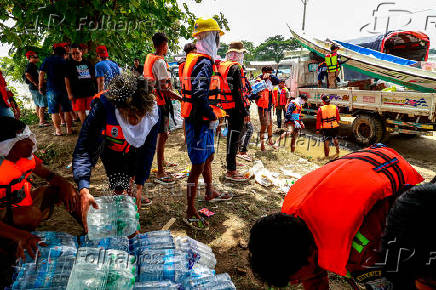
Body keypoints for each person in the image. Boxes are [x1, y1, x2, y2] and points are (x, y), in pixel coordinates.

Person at [248, 144, 425, 289]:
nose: (295, 283)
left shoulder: (363, 255)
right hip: (372, 163)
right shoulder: (292, 220)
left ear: (310, 257)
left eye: (296, 280)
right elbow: (313, 276)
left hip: (408, 197)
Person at [0, 117, 80, 287]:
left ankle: (90, 235)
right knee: (30, 215)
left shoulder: (26, 158)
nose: (31, 140)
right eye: (23, 139)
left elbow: (48, 175)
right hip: (6, 220)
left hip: (22, 206)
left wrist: (64, 184)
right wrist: (18, 235)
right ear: (7, 147)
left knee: (69, 192)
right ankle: (11, 246)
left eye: (29, 134)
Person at [73, 72, 157, 228]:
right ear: (119, 107)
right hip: (111, 149)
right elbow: (84, 149)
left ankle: (131, 220)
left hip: (134, 151)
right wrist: (84, 189)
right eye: (130, 114)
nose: (134, 121)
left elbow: (148, 150)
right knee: (119, 186)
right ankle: (122, 219)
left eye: (140, 115)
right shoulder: (103, 107)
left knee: (132, 187)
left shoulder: (152, 111)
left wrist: (139, 184)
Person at [180, 18, 232, 230]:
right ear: (211, 37)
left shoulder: (197, 58)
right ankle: (190, 209)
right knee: (197, 166)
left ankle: (209, 191)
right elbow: (200, 94)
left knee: (208, 157)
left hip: (202, 119)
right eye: (217, 37)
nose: (218, 41)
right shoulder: (203, 61)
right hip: (200, 121)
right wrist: (212, 116)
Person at [143, 32, 182, 186]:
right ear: (162, 46)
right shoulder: (159, 62)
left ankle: (162, 161)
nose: (167, 48)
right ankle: (160, 171)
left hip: (151, 100)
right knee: (163, 134)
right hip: (160, 102)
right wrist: (181, 98)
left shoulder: (149, 58)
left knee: (160, 134)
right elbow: (164, 89)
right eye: (166, 45)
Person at [220, 41, 250, 181]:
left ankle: (231, 162)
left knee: (233, 136)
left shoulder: (224, 65)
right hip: (236, 108)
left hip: (226, 106)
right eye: (242, 53)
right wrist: (245, 112)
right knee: (235, 137)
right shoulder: (236, 68)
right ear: (237, 54)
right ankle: (231, 170)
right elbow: (238, 93)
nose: (242, 55)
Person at [39, 45, 72, 136]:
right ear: (63, 54)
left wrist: (40, 86)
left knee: (54, 111)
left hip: (52, 88)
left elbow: (41, 73)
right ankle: (69, 130)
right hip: (64, 88)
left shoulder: (48, 60)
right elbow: (68, 77)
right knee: (67, 110)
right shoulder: (65, 61)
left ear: (54, 52)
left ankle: (58, 130)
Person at [65, 43, 97, 124]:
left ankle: (91, 127)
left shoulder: (87, 62)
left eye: (77, 53)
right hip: (77, 93)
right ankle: (85, 128)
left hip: (90, 91)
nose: (75, 55)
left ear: (81, 52)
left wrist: (96, 89)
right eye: (73, 53)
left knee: (92, 109)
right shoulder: (69, 64)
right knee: (81, 111)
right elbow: (67, 80)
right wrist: (69, 94)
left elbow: (93, 76)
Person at [256, 66, 279, 151]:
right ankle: (262, 144)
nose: (271, 74)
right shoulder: (258, 80)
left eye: (271, 72)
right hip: (262, 107)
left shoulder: (270, 79)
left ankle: (270, 140)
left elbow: (277, 81)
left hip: (268, 106)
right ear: (264, 72)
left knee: (269, 124)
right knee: (264, 125)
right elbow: (255, 92)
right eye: (269, 72)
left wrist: (269, 76)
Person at [179, 43, 197, 143]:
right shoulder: (184, 64)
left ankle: (189, 137)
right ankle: (187, 138)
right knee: (187, 117)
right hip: (188, 94)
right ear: (190, 51)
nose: (196, 53)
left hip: (189, 94)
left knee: (189, 117)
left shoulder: (187, 63)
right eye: (195, 51)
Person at [25, 51, 49, 127]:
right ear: (30, 58)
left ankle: (41, 120)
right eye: (34, 57)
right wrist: (36, 83)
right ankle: (41, 121)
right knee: (43, 104)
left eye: (37, 56)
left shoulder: (33, 66)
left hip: (34, 87)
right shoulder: (30, 65)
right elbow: (27, 75)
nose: (37, 58)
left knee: (38, 104)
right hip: (35, 88)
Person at [237, 65, 253, 162]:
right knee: (247, 129)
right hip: (242, 110)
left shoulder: (244, 82)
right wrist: (245, 112)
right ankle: (241, 151)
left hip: (244, 108)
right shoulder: (239, 83)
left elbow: (247, 95)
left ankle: (240, 151)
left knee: (243, 130)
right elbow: (240, 98)